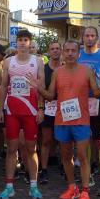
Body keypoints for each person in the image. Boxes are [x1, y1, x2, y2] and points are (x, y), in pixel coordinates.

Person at [31, 40, 100, 199]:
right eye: (67, 50)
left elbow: (96, 93)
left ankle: (85, 192)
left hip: (81, 120)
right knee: (66, 156)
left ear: (79, 53)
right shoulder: (57, 72)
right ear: (63, 53)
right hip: (62, 120)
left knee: (82, 155)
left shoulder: (87, 71)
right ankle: (72, 187)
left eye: (73, 51)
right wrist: (38, 88)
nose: (70, 53)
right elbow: (50, 95)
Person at [0, 29, 45, 199]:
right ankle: (9, 187)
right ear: (16, 42)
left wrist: (41, 108)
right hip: (12, 112)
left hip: (30, 112)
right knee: (11, 149)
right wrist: (0, 109)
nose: (23, 43)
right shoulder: (8, 62)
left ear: (30, 42)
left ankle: (33, 186)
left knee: (31, 149)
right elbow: (4, 86)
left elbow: (41, 87)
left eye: (26, 40)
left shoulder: (37, 61)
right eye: (20, 40)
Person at [78, 26, 100, 196]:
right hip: (81, 103)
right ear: (83, 37)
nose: (90, 38)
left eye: (93, 36)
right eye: (87, 35)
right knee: (84, 140)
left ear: (97, 38)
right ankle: (88, 174)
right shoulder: (77, 55)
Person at [38, 41, 62, 185]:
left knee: (64, 140)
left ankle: (65, 166)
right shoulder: (44, 69)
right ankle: (44, 169)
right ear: (49, 51)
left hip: (64, 108)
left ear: (61, 50)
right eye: (52, 48)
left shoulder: (66, 67)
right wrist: (41, 109)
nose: (55, 51)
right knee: (46, 140)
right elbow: (40, 91)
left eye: (58, 48)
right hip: (48, 107)